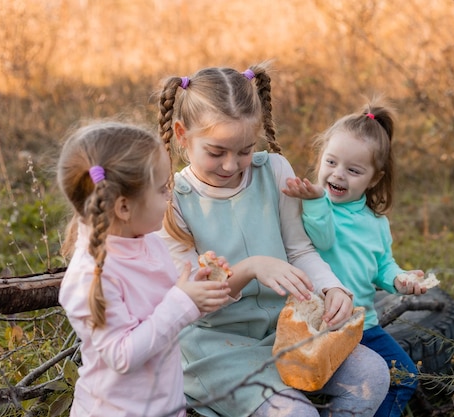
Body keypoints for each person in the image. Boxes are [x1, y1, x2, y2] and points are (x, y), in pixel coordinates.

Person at [156, 62, 390, 417]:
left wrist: (332, 288)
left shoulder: (274, 170)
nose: (232, 165)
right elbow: (193, 300)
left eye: (245, 150)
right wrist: (251, 268)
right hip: (217, 346)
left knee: (372, 375)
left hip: (286, 329)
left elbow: (300, 249)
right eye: (216, 152)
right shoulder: (173, 199)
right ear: (181, 134)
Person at [57, 121, 231, 417]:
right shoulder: (91, 276)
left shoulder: (148, 241)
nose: (169, 197)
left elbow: (163, 313)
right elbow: (122, 356)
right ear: (124, 208)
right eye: (163, 189)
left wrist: (198, 294)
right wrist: (182, 301)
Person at [282, 101, 430, 417]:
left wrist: (400, 279)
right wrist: (315, 202)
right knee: (303, 383)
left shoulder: (375, 222)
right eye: (331, 162)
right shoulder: (312, 207)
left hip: (364, 325)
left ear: (374, 179)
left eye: (353, 170)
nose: (338, 174)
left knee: (403, 378)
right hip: (315, 322)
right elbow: (321, 238)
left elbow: (381, 266)